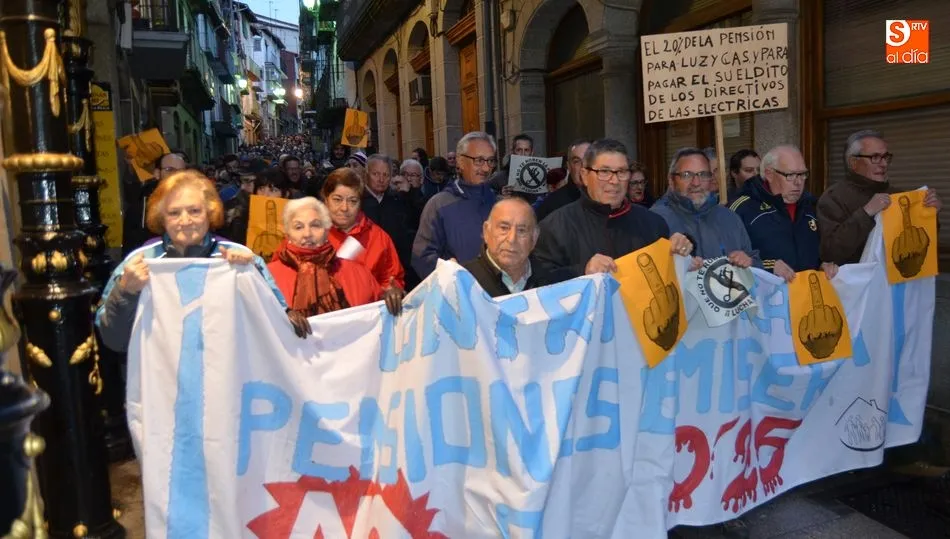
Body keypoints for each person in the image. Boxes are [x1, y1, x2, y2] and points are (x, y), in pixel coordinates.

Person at [96, 171, 306, 351]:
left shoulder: (242, 259)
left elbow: (274, 329)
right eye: (174, 213)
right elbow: (114, 341)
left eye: (194, 211)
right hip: (161, 388)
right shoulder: (139, 263)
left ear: (210, 211)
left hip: (227, 386)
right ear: (161, 217)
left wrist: (251, 283)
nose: (185, 221)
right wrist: (125, 292)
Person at [534, 139, 692, 283]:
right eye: (604, 172)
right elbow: (538, 283)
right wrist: (582, 271)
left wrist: (681, 248)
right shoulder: (554, 227)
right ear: (585, 176)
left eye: (622, 172)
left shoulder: (653, 223)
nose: (614, 181)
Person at [267, 198, 403, 331]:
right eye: (298, 227)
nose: (307, 234)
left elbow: (379, 318)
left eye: (315, 225)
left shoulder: (358, 273)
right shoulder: (269, 278)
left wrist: (391, 299)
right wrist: (280, 320)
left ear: (327, 231)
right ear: (288, 235)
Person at [818, 129, 941, 265]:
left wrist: (930, 215)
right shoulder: (833, 198)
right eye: (875, 157)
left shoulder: (898, 195)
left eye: (885, 157)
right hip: (855, 284)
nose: (884, 164)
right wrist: (866, 213)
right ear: (853, 162)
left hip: (895, 282)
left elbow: (920, 244)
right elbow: (830, 252)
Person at [731, 145, 838, 281]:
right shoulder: (742, 208)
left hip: (807, 295)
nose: (798, 182)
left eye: (802, 174)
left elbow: (818, 253)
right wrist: (768, 266)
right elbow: (729, 259)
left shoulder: (811, 206)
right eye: (790, 175)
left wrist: (823, 266)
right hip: (764, 296)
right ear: (769, 174)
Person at [651, 147, 760, 270]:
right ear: (671, 180)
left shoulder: (730, 218)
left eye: (703, 174)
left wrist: (748, 261)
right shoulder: (655, 220)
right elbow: (645, 273)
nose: (696, 183)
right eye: (686, 175)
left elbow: (756, 267)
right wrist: (675, 263)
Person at [412, 131, 499, 279]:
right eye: (479, 160)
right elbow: (421, 257)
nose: (485, 168)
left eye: (490, 161)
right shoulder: (438, 205)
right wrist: (450, 272)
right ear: (459, 162)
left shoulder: (500, 204)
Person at [322, 168, 406, 291]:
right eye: (337, 199)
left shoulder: (379, 238)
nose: (344, 208)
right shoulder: (309, 234)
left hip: (367, 309)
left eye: (352, 201)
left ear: (361, 203)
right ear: (326, 200)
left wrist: (392, 292)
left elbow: (393, 280)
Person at [464, 198, 546, 297]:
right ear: (486, 232)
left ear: (534, 238)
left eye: (521, 230)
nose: (512, 239)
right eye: (504, 228)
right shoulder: (462, 282)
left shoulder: (553, 283)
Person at [363, 154, 420, 289]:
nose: (381, 179)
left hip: (396, 273)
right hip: (367, 274)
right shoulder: (356, 202)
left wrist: (411, 194)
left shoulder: (398, 200)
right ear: (366, 174)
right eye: (376, 174)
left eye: (386, 175)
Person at [122, 150, 188, 256]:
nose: (176, 175)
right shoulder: (141, 207)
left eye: (181, 171)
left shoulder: (196, 203)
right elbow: (130, 253)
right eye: (169, 170)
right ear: (157, 173)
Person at [535, 139, 591, 222]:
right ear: (568, 166)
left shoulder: (609, 199)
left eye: (588, 160)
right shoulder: (552, 204)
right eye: (577, 162)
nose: (583, 167)